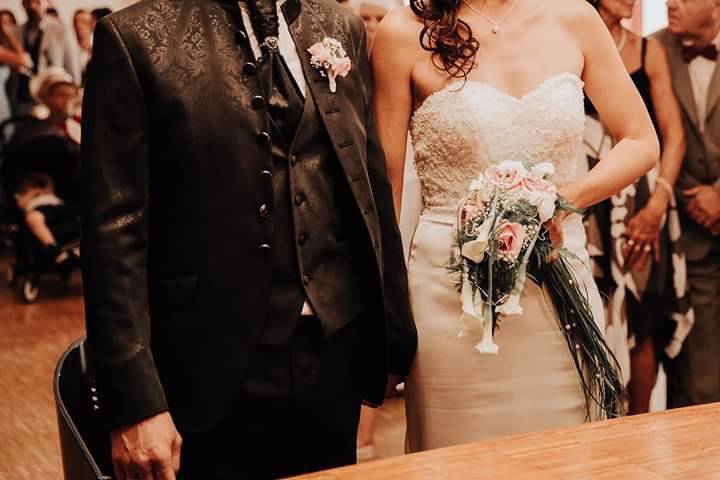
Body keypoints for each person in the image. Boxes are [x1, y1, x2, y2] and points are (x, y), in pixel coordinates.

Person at [81, 0, 417, 479]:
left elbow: (369, 186)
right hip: (205, 364)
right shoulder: (134, 37)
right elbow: (113, 231)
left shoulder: (337, 25)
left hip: (331, 350)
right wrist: (133, 401)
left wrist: (392, 334)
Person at [373, 0, 658, 451]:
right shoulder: (402, 32)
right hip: (450, 300)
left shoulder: (573, 17)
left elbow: (642, 140)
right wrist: (384, 312)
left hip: (558, 282)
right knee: (457, 455)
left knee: (566, 453)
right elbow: (384, 186)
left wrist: (565, 199)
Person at [582, 0, 692, 415]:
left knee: (642, 314)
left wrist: (659, 203)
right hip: (585, 205)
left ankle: (639, 425)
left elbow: (674, 134)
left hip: (641, 205)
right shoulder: (568, 41)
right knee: (594, 307)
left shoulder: (650, 52)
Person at [654, 0, 720, 408]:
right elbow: (649, 140)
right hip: (685, 237)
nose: (670, 3)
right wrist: (688, 196)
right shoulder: (650, 51)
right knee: (699, 383)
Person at [13, 0, 80, 115]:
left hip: (51, 104)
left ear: (47, 3)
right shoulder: (16, 32)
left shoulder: (61, 30)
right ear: (23, 5)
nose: (32, 6)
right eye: (28, 2)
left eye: (37, 2)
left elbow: (73, 71)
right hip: (21, 102)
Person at [14, 172, 79, 266]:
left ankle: (70, 248)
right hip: (42, 211)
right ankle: (54, 249)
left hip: (57, 207)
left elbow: (50, 188)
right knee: (34, 218)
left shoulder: (42, 184)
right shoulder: (22, 196)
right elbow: (21, 205)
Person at [28, 67, 82, 143]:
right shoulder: (39, 121)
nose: (68, 100)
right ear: (47, 98)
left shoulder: (79, 122)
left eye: (71, 96)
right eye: (62, 95)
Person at [73, 9, 93, 83]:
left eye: (84, 22)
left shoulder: (97, 50)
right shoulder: (70, 52)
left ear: (91, 25)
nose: (79, 26)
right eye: (76, 22)